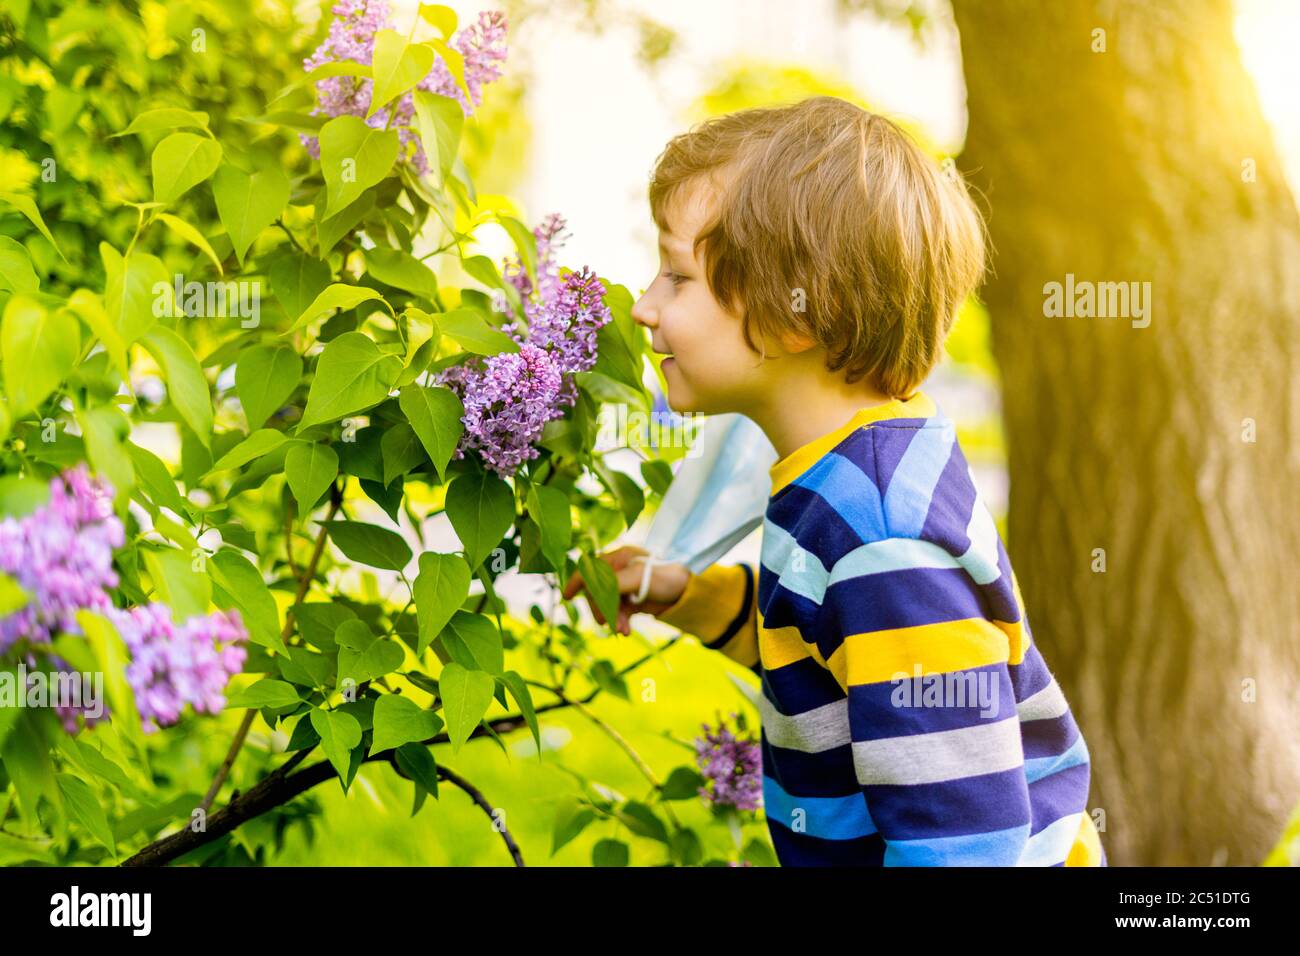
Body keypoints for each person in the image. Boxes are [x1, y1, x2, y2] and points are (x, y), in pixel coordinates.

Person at [564, 96, 1104, 867]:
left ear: (796, 315)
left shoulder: (885, 542)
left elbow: (965, 846)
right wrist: (692, 594)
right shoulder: (842, 477)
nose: (646, 308)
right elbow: (829, 652)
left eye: (678, 276)